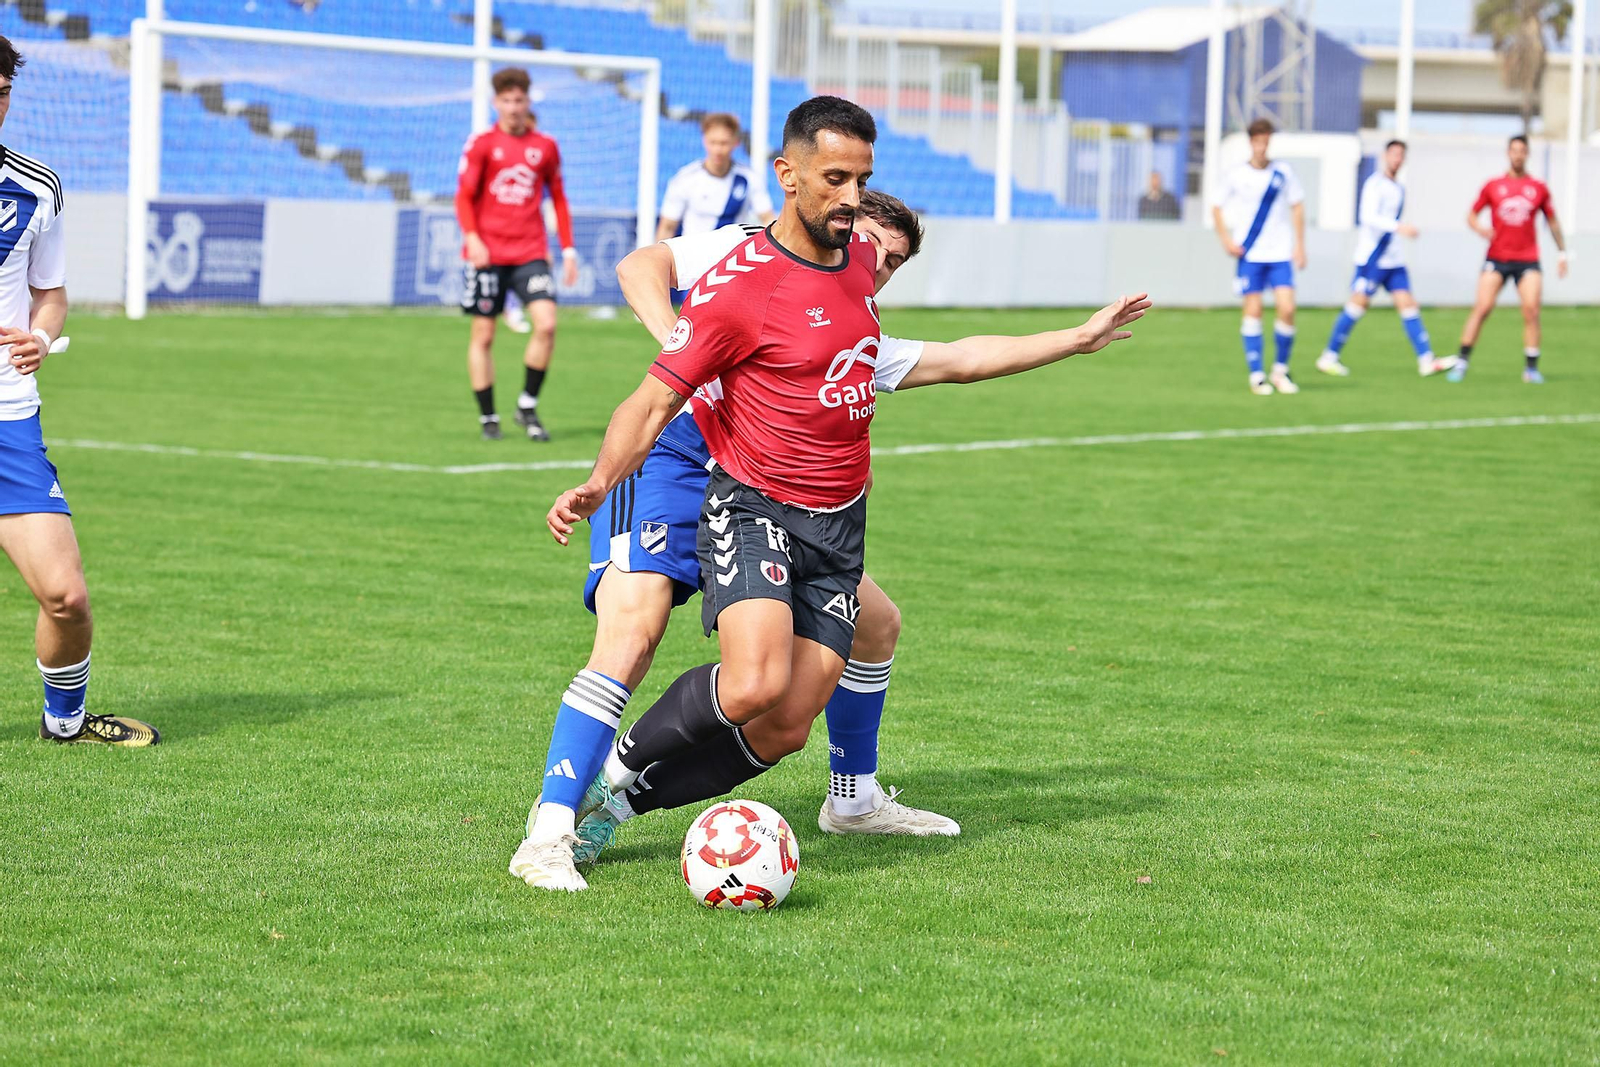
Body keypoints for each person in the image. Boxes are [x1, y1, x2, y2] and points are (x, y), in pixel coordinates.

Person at [512, 97, 1149, 890]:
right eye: (845, 193)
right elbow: (644, 279)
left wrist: (1075, 339)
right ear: (795, 178)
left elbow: (955, 358)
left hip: (815, 511)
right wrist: (692, 356)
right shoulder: (744, 261)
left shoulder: (853, 301)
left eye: (894, 259)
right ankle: (553, 823)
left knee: (817, 686)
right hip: (681, 458)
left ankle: (829, 797)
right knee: (637, 633)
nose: (876, 259)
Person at [0, 37, 157, 746]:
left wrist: (40, 335)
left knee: (66, 596)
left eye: (3, 92)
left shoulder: (37, 188)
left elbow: (51, 295)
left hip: (8, 418)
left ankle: (63, 724)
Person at [455, 67, 580, 441]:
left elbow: (559, 198)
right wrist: (473, 238)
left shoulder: (545, 146)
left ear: (528, 102)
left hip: (530, 251)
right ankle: (488, 417)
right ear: (496, 102)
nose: (513, 107)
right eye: (507, 100)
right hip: (488, 253)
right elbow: (464, 196)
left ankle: (527, 406)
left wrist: (568, 249)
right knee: (484, 335)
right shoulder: (481, 143)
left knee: (547, 324)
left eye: (519, 100)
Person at [1316, 140, 1455, 378]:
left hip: (1393, 261)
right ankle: (1328, 356)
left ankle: (1426, 359)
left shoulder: (1399, 188)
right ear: (1385, 156)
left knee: (1408, 304)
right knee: (1357, 305)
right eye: (1393, 154)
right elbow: (1368, 217)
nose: (1397, 159)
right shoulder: (1374, 185)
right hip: (1372, 259)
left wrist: (1399, 231)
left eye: (1401, 155)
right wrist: (1399, 227)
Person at [1447, 134, 1569, 384]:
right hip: (1497, 257)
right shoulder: (1493, 186)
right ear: (1508, 153)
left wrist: (1562, 253)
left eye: (1522, 151)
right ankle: (1461, 362)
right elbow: (1471, 215)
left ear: (1527, 154)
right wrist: (1481, 229)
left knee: (1532, 311)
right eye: (1514, 150)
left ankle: (1531, 369)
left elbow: (1552, 221)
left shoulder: (1538, 188)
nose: (1518, 155)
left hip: (1528, 258)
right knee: (1482, 308)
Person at [1210, 118, 1306, 396]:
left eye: (1266, 142)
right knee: (1253, 311)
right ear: (1251, 142)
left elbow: (1297, 206)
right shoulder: (1237, 174)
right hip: (1250, 254)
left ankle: (1280, 370)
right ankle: (1257, 375)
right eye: (1258, 142)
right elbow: (1216, 206)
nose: (1262, 147)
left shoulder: (1283, 172)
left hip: (1280, 253)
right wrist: (1226, 240)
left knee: (1287, 309)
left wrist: (1300, 246)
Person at [655, 113, 776, 242]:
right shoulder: (685, 179)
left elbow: (768, 218)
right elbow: (667, 227)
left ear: (736, 142)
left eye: (723, 143)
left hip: (733, 252)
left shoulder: (749, 178)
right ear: (704, 140)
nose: (717, 150)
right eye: (713, 142)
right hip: (694, 252)